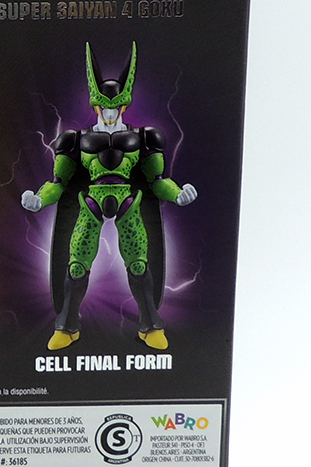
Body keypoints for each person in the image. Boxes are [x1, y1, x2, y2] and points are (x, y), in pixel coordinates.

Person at [22, 43, 196, 350]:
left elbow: (157, 181)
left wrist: (178, 193)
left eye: (116, 107)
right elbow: (59, 183)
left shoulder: (144, 138)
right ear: (96, 105)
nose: (111, 113)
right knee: (77, 265)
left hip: (129, 201)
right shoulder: (75, 140)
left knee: (139, 264)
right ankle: (67, 326)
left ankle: (150, 325)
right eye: (105, 107)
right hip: (90, 202)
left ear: (125, 106)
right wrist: (39, 199)